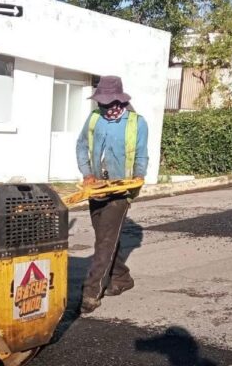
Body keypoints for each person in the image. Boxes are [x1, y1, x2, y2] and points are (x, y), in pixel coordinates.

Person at [76, 75, 149, 314]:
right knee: (104, 237)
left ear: (119, 100)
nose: (104, 108)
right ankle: (121, 277)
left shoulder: (137, 123)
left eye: (108, 103)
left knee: (105, 241)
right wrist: (87, 174)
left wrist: (135, 184)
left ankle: (91, 292)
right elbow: (81, 146)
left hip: (120, 190)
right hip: (96, 188)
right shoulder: (94, 118)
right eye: (101, 103)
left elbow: (140, 156)